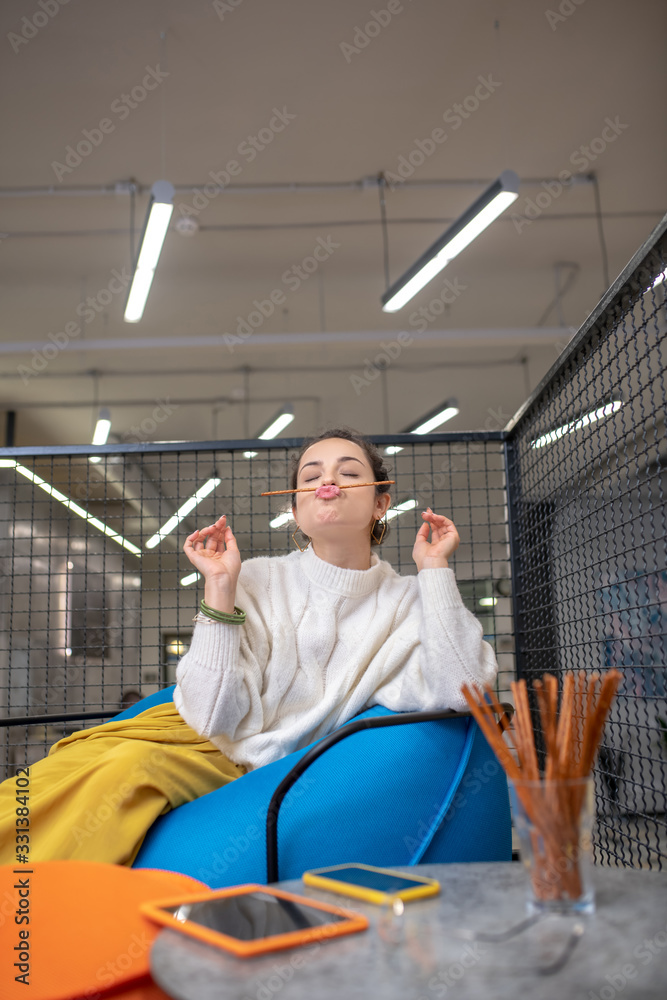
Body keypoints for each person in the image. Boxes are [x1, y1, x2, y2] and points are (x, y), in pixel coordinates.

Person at [0, 426, 498, 867]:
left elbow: (464, 690)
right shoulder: (258, 576)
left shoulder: (409, 599)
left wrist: (434, 571)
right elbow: (211, 714)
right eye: (310, 476)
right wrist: (219, 586)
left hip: (236, 758)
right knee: (40, 786)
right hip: (195, 729)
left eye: (348, 472)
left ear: (381, 502)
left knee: (115, 778)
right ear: (297, 504)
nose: (328, 481)